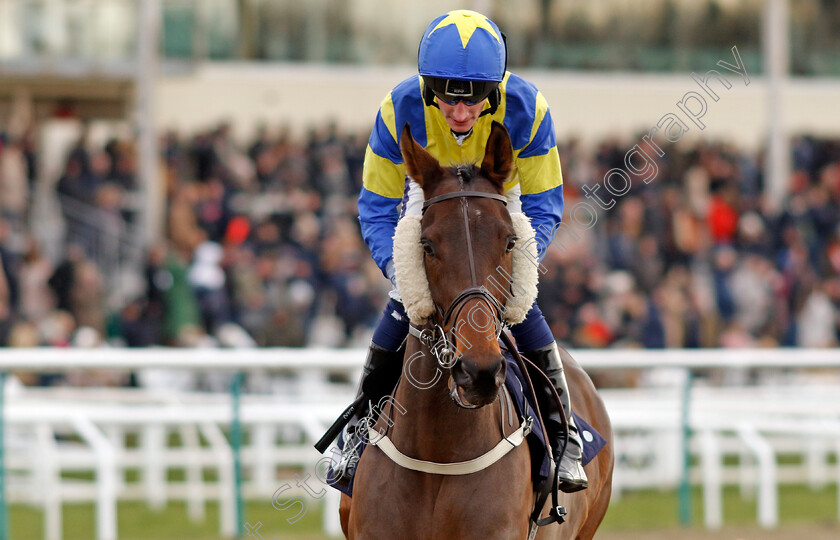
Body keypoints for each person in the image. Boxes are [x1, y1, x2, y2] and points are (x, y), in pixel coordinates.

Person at [335, 9, 587, 493]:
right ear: (429, 88)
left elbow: (544, 203)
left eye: (474, 102)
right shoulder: (398, 109)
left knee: (520, 305)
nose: (461, 114)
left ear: (494, 90)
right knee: (402, 304)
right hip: (426, 196)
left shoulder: (528, 109)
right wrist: (402, 273)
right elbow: (377, 206)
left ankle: (564, 437)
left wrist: (514, 269)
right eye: (449, 101)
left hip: (498, 198)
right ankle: (357, 434)